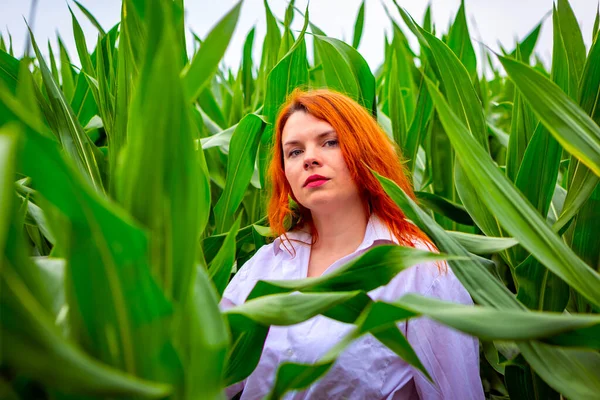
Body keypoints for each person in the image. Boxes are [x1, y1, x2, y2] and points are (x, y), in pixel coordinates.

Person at [221, 89, 484, 399]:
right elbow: (208, 377)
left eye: (329, 142)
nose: (310, 159)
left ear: (364, 150)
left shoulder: (419, 270)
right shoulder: (266, 266)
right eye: (294, 151)